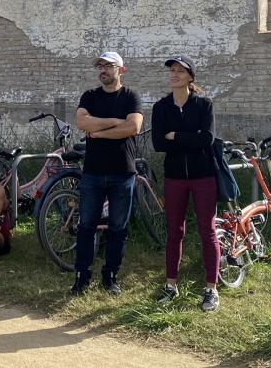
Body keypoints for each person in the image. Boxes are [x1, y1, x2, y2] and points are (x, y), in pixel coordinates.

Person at [151, 56, 220, 312]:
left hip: (203, 175)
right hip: (175, 175)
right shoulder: (161, 107)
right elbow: (158, 143)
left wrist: (176, 136)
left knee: (207, 231)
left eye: (180, 71)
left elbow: (208, 139)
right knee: (174, 231)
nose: (174, 74)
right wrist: (191, 138)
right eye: (172, 70)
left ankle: (211, 289)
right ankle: (171, 285)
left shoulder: (204, 105)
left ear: (191, 77)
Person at [73, 51, 143, 295]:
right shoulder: (90, 96)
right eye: (100, 66)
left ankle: (110, 276)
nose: (103, 70)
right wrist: (115, 121)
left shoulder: (131, 97)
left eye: (108, 66)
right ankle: (82, 277)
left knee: (118, 228)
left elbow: (133, 127)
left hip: (122, 173)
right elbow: (82, 123)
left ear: (121, 70)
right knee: (86, 226)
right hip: (92, 172)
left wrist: (99, 131)